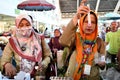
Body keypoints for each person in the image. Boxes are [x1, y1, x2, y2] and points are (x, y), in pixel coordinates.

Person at [59, 0, 106, 80]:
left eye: (93, 22)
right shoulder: (76, 37)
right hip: (72, 76)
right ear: (81, 23)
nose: (89, 25)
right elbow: (63, 41)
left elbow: (103, 60)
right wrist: (77, 16)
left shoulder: (99, 41)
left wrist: (102, 64)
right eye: (86, 21)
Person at [0, 14, 51, 79]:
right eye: (21, 25)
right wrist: (6, 64)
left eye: (27, 24)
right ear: (17, 26)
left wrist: (44, 64)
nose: (24, 28)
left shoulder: (39, 38)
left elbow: (49, 55)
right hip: (22, 76)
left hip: (39, 76)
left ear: (31, 25)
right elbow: (4, 59)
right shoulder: (13, 42)